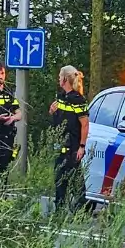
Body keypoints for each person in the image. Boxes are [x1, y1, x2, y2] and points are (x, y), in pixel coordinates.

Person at [50, 65, 90, 213]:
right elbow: (58, 123)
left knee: (76, 181)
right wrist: (53, 112)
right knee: (59, 180)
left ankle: (81, 210)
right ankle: (59, 210)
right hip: (60, 146)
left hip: (73, 147)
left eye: (60, 77)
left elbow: (84, 124)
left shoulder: (78, 99)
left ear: (65, 79)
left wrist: (82, 146)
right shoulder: (61, 97)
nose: (58, 79)